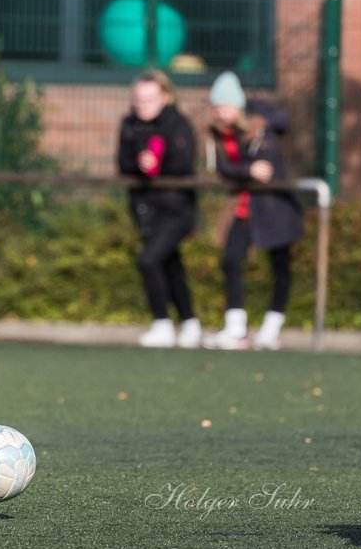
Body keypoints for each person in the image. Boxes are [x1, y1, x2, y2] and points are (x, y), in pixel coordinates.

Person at [204, 71, 304, 351]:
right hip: (244, 205)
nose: (221, 113)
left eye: (226, 106)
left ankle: (271, 329)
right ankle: (236, 330)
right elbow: (225, 169)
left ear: (237, 105)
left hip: (275, 205)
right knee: (231, 259)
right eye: (217, 107)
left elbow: (283, 123)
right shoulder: (217, 135)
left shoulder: (262, 121)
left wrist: (260, 125)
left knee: (280, 267)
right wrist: (248, 170)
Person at [117, 70, 201, 349]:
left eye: (150, 99)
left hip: (175, 209)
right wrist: (137, 163)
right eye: (139, 99)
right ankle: (190, 322)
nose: (143, 105)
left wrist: (157, 164)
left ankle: (162, 323)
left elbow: (183, 163)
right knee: (170, 264)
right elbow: (123, 163)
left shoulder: (178, 125)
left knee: (148, 260)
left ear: (165, 97)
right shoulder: (129, 125)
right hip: (145, 209)